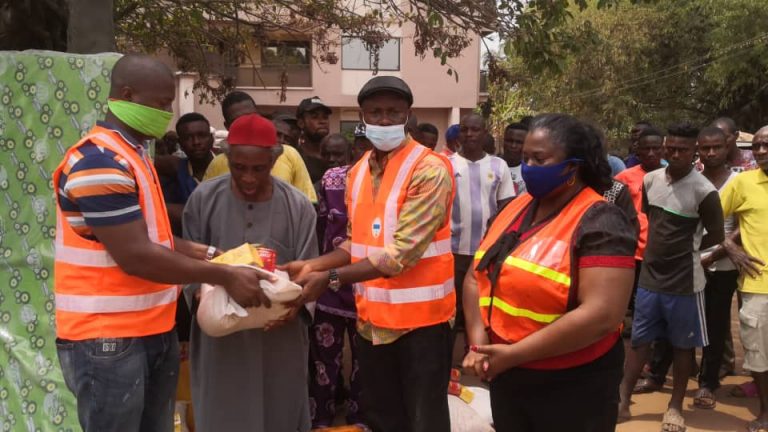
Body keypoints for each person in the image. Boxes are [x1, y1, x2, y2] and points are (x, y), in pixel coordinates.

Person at [53, 54, 271, 432]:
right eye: (161, 104)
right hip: (108, 340)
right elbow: (137, 256)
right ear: (126, 95)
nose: (167, 113)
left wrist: (218, 257)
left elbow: (158, 240)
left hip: (150, 330)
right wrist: (224, 277)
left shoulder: (134, 156)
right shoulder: (99, 161)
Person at [282, 75, 456, 432]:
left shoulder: (429, 169)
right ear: (362, 115)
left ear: (408, 115)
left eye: (393, 112)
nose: (384, 120)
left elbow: (398, 256)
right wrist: (312, 263)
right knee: (382, 418)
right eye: (375, 112)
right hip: (373, 324)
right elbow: (354, 243)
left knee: (424, 422)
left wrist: (327, 278)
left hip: (422, 326)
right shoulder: (357, 173)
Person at [462, 113, 636, 432]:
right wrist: (478, 344)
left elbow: (603, 315)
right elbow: (475, 275)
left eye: (539, 159)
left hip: (573, 383)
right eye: (525, 157)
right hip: (507, 372)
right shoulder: (514, 207)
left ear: (573, 166)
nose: (527, 166)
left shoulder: (602, 221)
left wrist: (511, 355)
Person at [183, 113, 318, 432]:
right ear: (227, 157)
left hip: (278, 338)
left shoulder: (298, 205)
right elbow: (190, 268)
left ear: (274, 159)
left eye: (259, 168)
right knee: (222, 416)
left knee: (280, 414)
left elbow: (308, 271)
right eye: (239, 167)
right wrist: (204, 292)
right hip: (221, 338)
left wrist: (297, 303)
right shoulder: (203, 199)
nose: (248, 178)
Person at [618, 122, 725, 432]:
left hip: (685, 283)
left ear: (694, 154)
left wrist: (686, 250)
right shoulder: (650, 181)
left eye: (682, 150)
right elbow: (652, 220)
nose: (674, 154)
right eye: (671, 148)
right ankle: (623, 399)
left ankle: (675, 406)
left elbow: (715, 236)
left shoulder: (705, 191)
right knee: (640, 342)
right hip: (650, 279)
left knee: (682, 347)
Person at [310, 133, 364, 429]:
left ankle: (359, 421)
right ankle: (321, 420)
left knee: (364, 362)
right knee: (324, 362)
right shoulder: (331, 181)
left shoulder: (384, 184)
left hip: (368, 285)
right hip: (328, 286)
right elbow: (317, 226)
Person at [716, 127, 768, 432]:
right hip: (758, 285)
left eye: (766, 145)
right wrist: (729, 246)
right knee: (759, 354)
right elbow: (709, 216)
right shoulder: (744, 183)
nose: (760, 151)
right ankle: (764, 412)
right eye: (757, 145)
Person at [450, 113, 515, 338]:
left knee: (481, 307)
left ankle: (476, 352)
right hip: (452, 251)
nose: (469, 134)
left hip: (486, 252)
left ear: (484, 132)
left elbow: (506, 206)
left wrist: (494, 241)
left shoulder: (499, 166)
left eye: (475, 129)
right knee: (451, 309)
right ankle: (447, 364)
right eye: (464, 129)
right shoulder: (446, 165)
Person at [690, 126, 741, 410]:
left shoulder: (739, 181)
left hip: (722, 267)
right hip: (690, 264)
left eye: (716, 147)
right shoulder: (691, 180)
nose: (710, 153)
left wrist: (714, 255)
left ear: (727, 147)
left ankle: (708, 382)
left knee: (716, 323)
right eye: (705, 148)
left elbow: (743, 227)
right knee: (686, 322)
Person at [202, 91, 317, 203]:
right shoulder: (216, 165)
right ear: (227, 126)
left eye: (251, 116)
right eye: (239, 167)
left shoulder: (289, 154)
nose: (247, 124)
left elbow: (308, 204)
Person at [615, 127, 664, 346]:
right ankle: (639, 351)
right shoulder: (624, 177)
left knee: (657, 304)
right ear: (638, 150)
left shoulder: (671, 175)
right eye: (647, 149)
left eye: (656, 148)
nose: (652, 153)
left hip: (661, 250)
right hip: (633, 250)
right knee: (635, 302)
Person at [156, 113, 215, 235]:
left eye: (202, 135)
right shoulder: (174, 176)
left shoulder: (228, 168)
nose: (196, 142)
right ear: (180, 144)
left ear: (211, 139)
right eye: (188, 137)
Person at [297, 96, 332, 183]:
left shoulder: (336, 155)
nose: (322, 121)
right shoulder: (296, 156)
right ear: (301, 123)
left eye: (325, 117)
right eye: (315, 117)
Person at [502, 122, 528, 195]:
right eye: (510, 141)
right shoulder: (490, 166)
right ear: (503, 141)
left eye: (519, 142)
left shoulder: (530, 172)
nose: (513, 146)